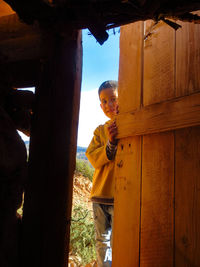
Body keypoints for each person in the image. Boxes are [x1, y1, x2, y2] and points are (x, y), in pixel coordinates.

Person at [85, 80, 118, 267]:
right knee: (102, 242)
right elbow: (92, 156)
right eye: (104, 101)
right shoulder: (100, 131)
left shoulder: (128, 126)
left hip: (119, 198)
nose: (109, 105)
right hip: (99, 196)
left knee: (117, 242)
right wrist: (110, 144)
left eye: (113, 99)